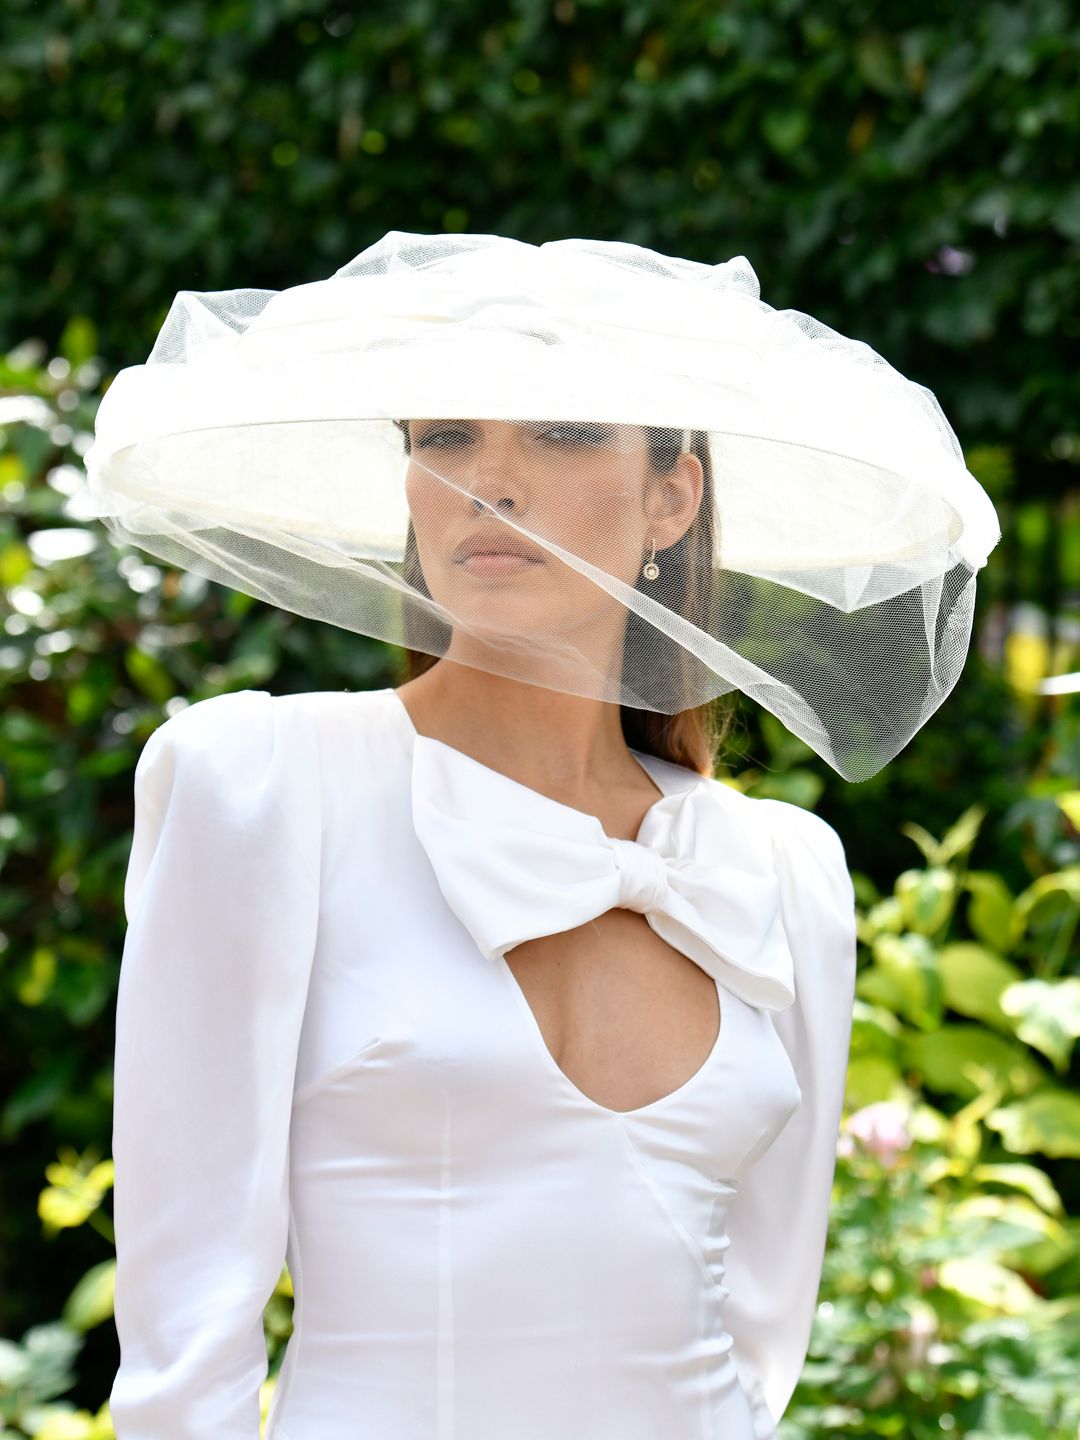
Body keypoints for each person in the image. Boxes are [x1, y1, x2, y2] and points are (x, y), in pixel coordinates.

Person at [81, 234, 1000, 1439]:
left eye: (562, 433)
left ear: (673, 493)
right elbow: (187, 1335)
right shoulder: (263, 784)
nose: (487, 482)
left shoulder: (775, 870)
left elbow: (767, 1323)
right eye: (446, 437)